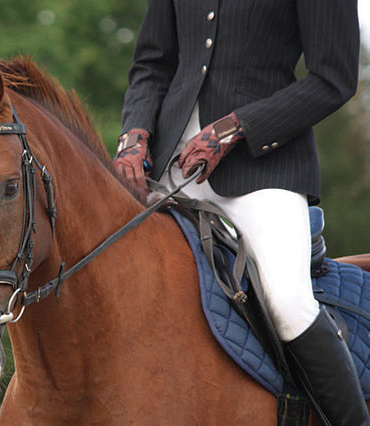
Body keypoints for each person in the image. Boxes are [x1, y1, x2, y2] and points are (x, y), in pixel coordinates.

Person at [115, 1, 365, 425]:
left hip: (263, 170)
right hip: (165, 167)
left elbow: (333, 80)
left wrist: (236, 128)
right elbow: (152, 63)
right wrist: (134, 133)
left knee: (287, 302)